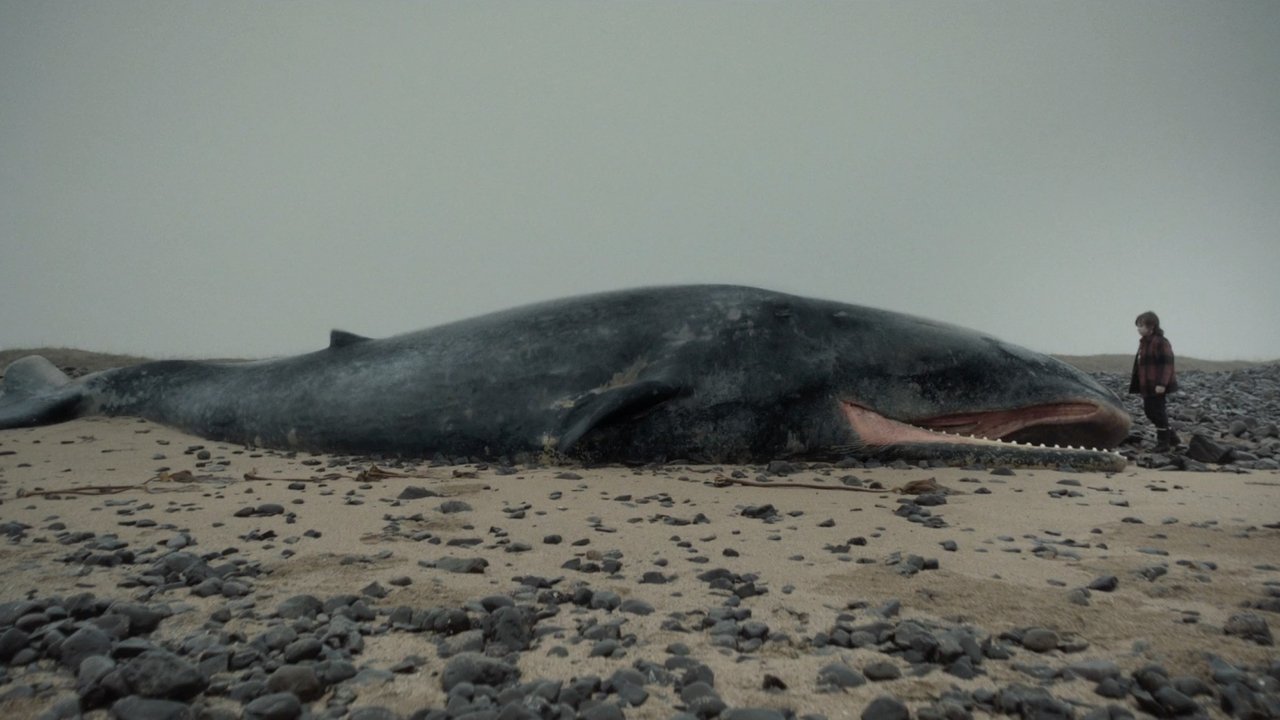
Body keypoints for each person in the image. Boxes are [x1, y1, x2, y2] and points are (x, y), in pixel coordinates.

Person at [1129, 311, 1180, 452]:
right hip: (1146, 385)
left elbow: (1167, 365)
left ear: (1151, 326)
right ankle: (1173, 438)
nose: (1138, 329)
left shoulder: (1161, 342)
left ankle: (1163, 443)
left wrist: (1162, 384)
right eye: (1138, 326)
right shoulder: (1144, 342)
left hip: (1157, 385)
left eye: (1141, 325)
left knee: (1157, 412)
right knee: (1150, 412)